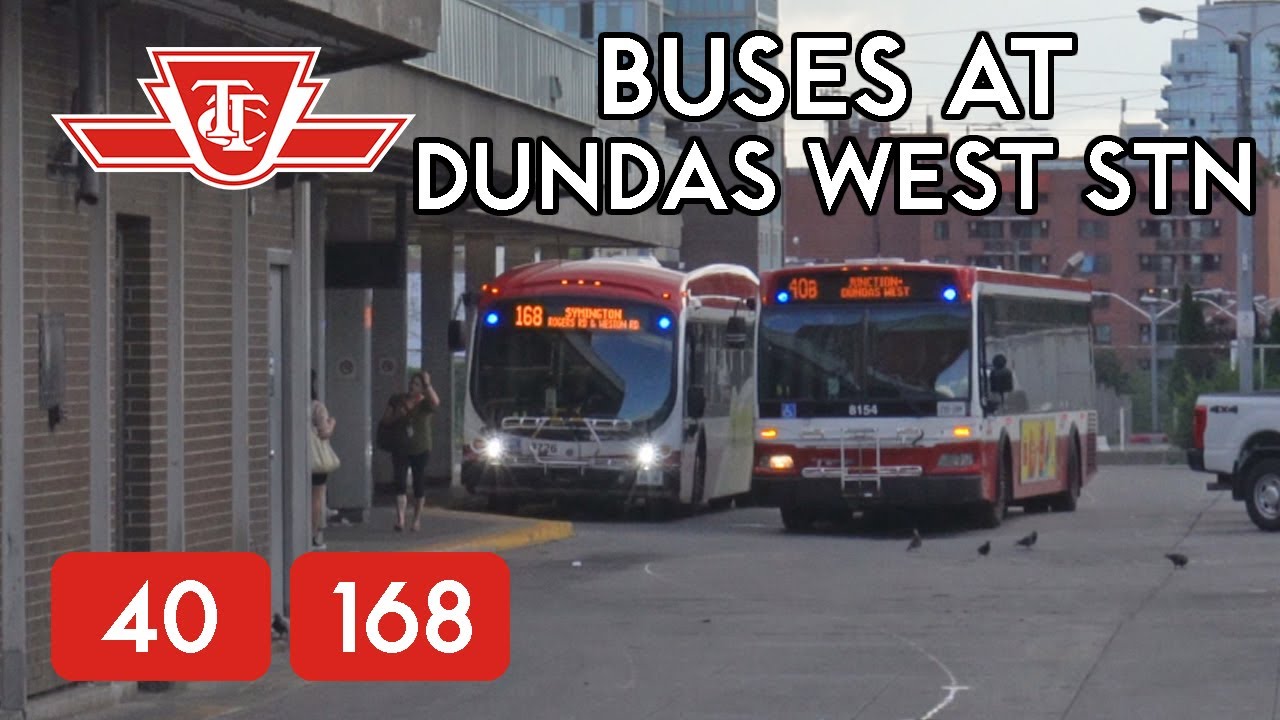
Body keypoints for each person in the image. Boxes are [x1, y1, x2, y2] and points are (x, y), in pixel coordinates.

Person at [381, 371, 440, 532]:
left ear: (422, 388)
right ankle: (400, 519)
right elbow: (385, 420)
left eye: (417, 385)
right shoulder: (397, 400)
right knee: (400, 482)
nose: (412, 387)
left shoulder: (425, 403)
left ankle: (416, 520)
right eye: (412, 383)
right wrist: (396, 416)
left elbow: (436, 401)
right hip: (400, 447)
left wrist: (428, 384)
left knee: (418, 483)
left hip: (421, 448)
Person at [310, 370, 337, 549]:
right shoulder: (317, 407)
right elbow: (324, 433)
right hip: (316, 460)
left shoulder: (294, 403)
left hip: (298, 459)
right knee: (316, 497)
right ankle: (312, 535)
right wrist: (332, 422)